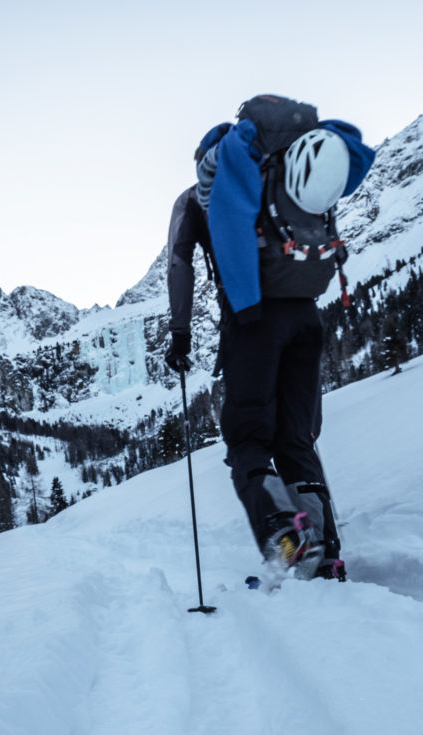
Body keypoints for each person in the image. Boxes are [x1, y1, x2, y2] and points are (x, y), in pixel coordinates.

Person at [164, 94, 376, 581]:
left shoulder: (201, 196)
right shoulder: (290, 177)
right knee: (296, 439)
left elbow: (180, 264)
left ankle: (284, 531)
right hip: (306, 315)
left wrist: (180, 334)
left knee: (247, 437)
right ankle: (325, 554)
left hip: (252, 322)